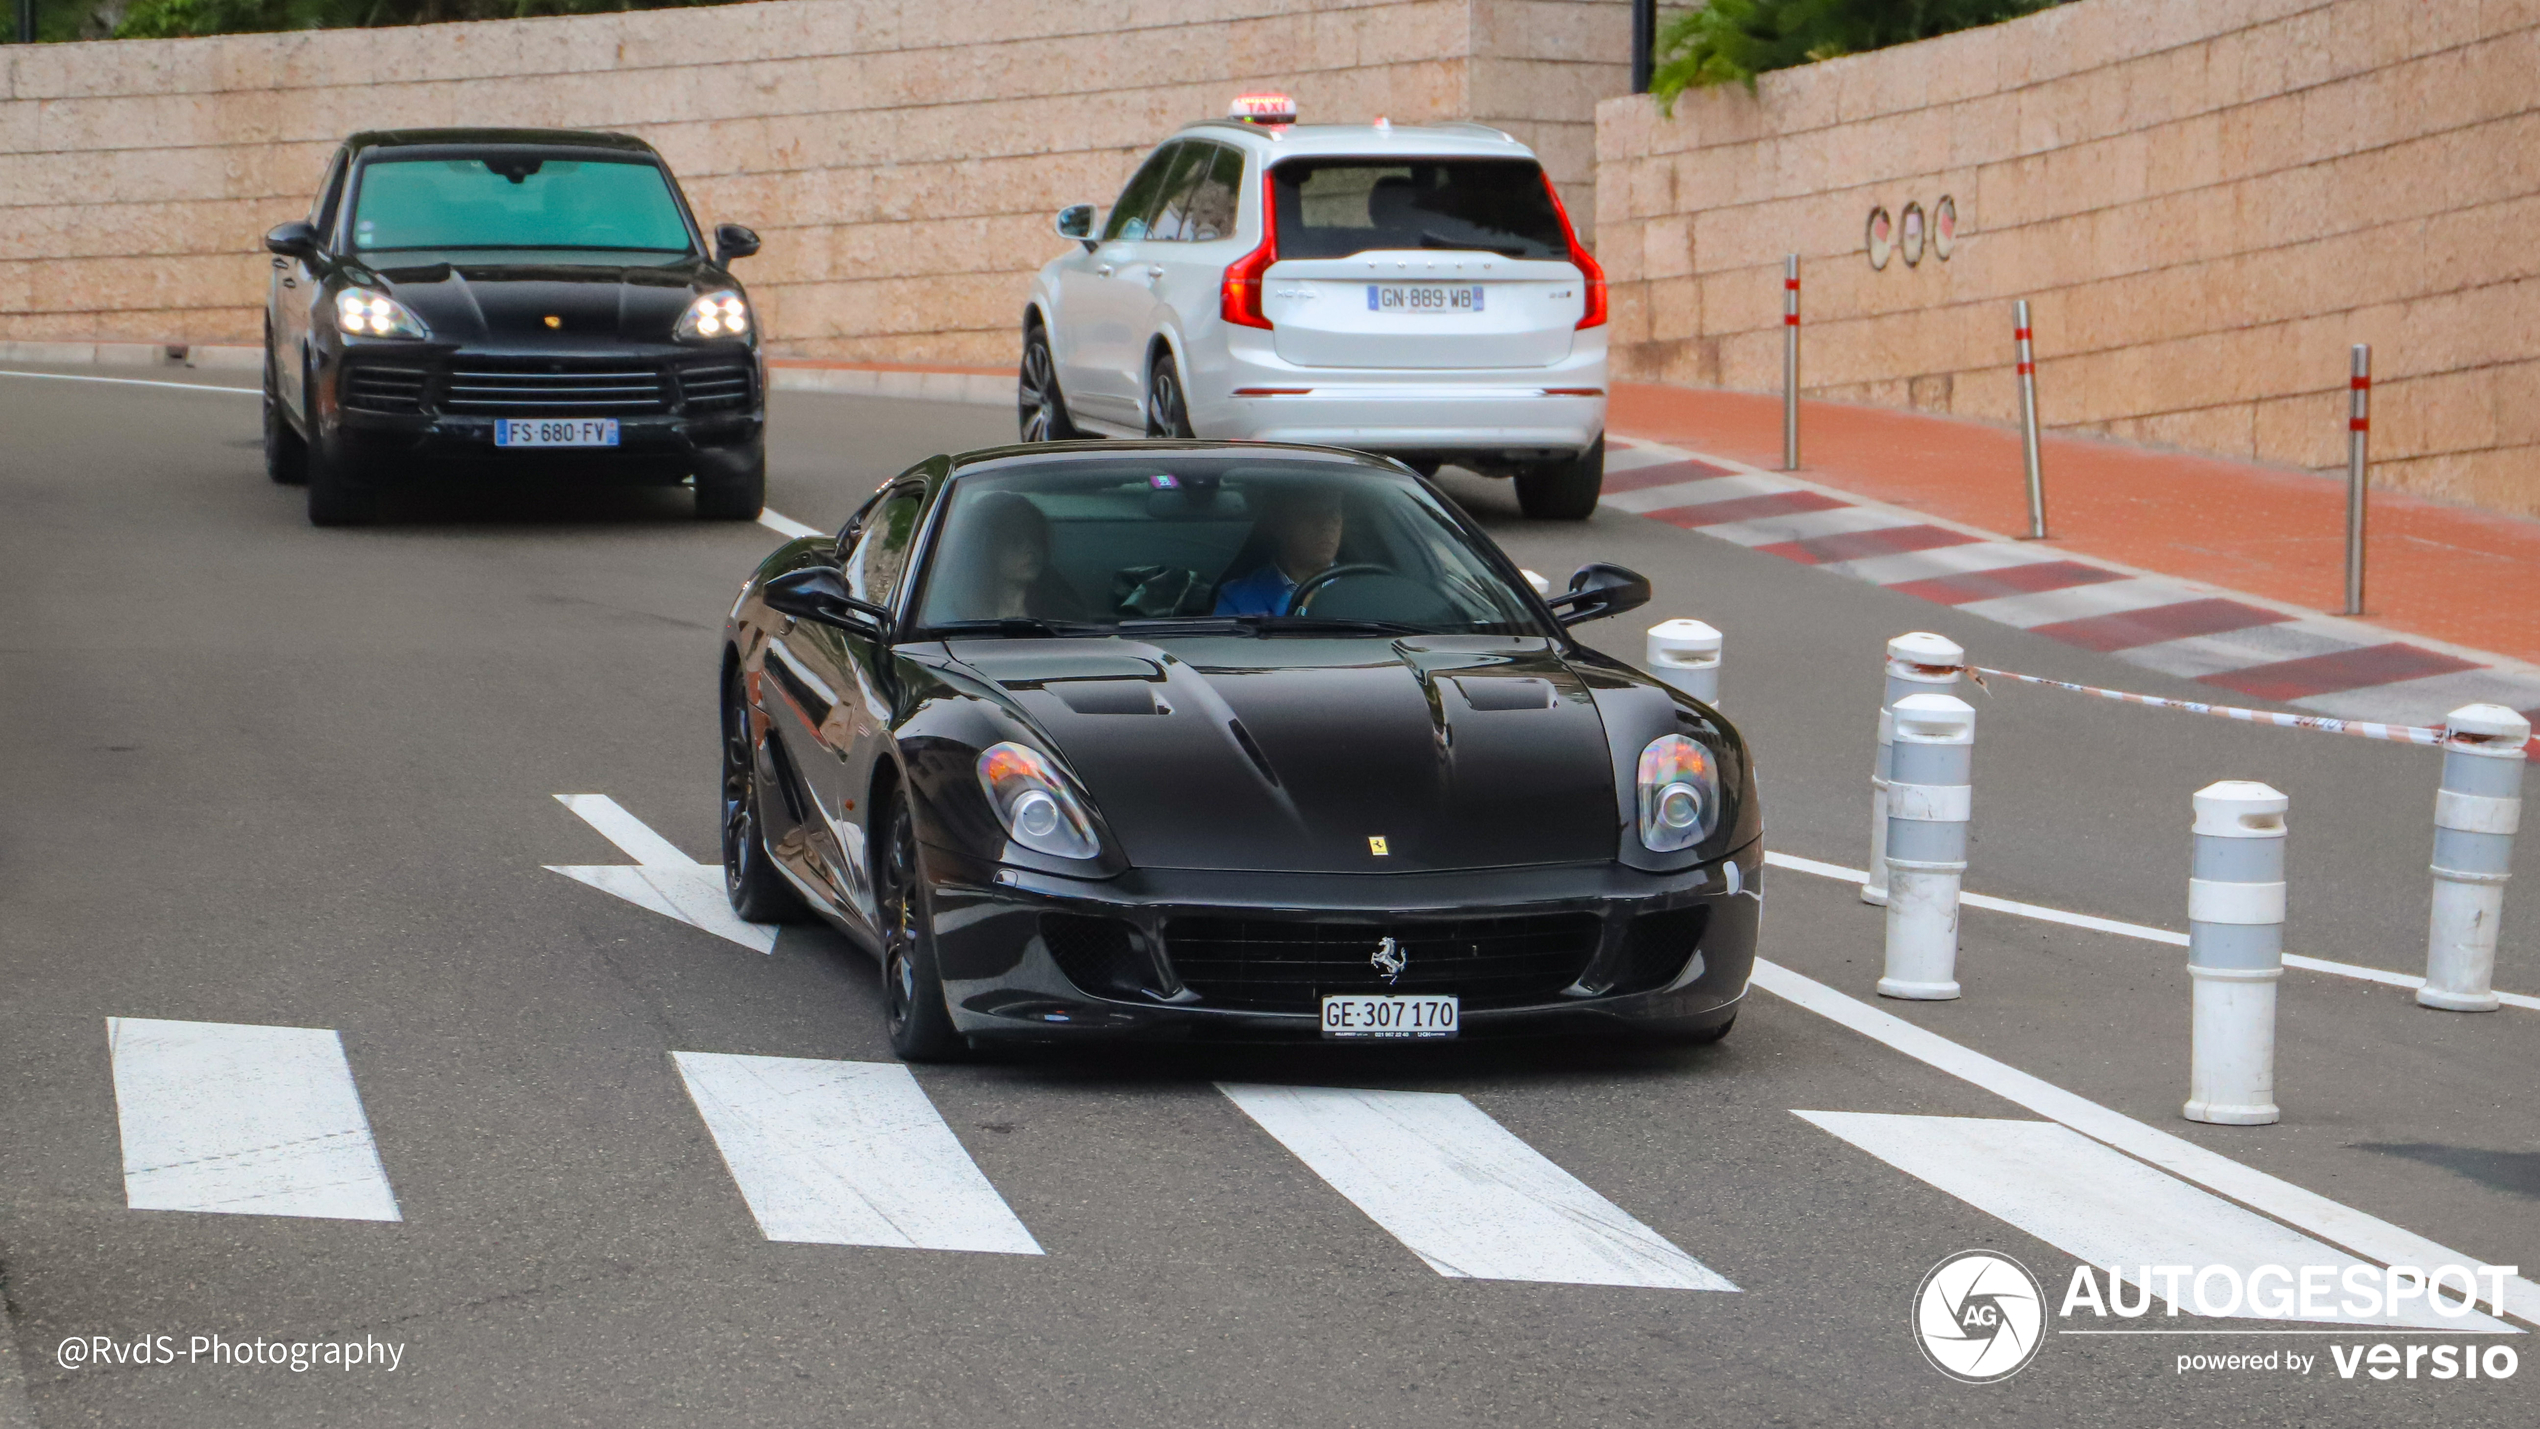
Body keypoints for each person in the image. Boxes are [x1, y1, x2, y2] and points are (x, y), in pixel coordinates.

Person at [946, 490, 1082, 621]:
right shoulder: (953, 616)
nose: (1031, 549)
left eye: (1036, 538)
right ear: (988, 547)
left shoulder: (1064, 613)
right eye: (1015, 540)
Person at [1215, 485, 1346, 616]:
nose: (1326, 525)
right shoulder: (1237, 599)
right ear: (1280, 526)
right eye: (1311, 514)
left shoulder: (1360, 590)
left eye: (1333, 513)